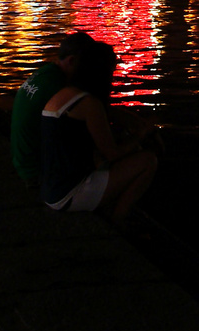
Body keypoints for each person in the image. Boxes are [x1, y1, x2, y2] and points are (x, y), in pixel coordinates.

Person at [39, 39, 158, 224]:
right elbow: (111, 153)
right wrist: (141, 135)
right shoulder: (89, 104)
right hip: (69, 194)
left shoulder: (66, 94)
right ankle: (118, 221)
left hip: (51, 190)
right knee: (148, 161)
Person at [11, 32, 92, 187]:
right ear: (72, 61)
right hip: (35, 171)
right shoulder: (58, 87)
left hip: (22, 160)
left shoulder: (46, 73)